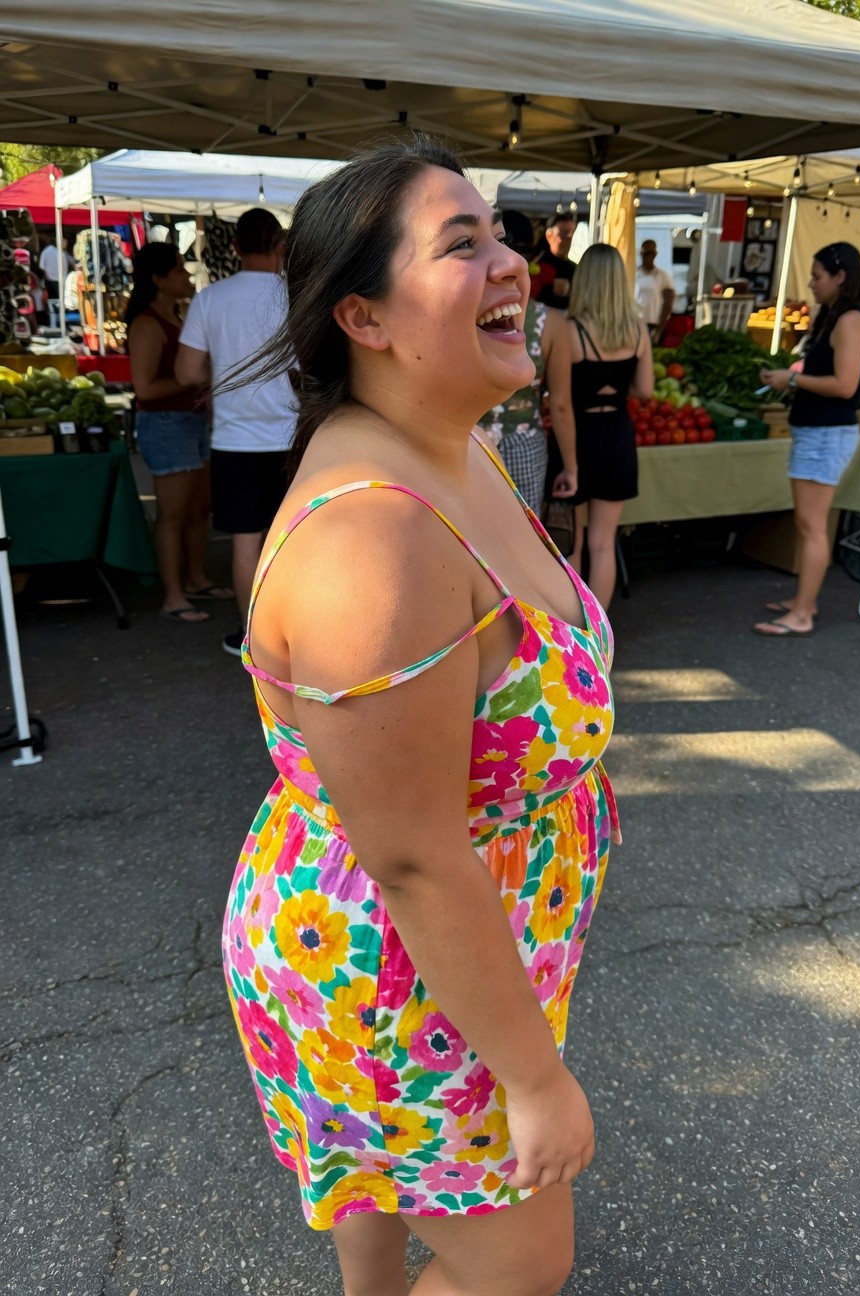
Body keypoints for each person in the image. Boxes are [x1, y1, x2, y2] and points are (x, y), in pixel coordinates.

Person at [222, 135, 620, 1296]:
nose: (512, 263)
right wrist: (537, 1079)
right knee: (523, 1263)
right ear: (366, 318)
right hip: (396, 972)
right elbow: (409, 854)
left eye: (500, 232)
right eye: (463, 244)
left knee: (380, 1206)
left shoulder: (464, 449)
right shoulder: (375, 541)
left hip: (459, 947)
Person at [176, 208, 297, 657]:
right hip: (291, 436)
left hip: (235, 440)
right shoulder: (297, 297)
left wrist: (223, 370)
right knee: (292, 537)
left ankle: (254, 639)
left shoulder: (211, 300)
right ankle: (299, 636)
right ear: (281, 247)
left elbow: (187, 372)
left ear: (235, 247)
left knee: (246, 542)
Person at [754, 241, 860, 637]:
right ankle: (805, 600)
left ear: (841, 276)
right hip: (817, 431)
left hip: (828, 433)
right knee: (807, 523)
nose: (811, 283)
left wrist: (793, 379)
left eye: (818, 276)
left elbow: (846, 384)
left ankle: (802, 614)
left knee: (813, 525)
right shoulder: (834, 316)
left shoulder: (851, 320)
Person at [126, 243, 231, 624]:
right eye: (179, 271)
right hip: (166, 426)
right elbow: (145, 389)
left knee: (198, 509)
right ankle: (172, 595)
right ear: (158, 279)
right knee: (172, 515)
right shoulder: (147, 324)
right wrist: (194, 378)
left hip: (192, 422)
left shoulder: (176, 317)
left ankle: (196, 578)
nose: (187, 277)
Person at [546, 242, 653, 609]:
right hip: (618, 436)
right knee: (604, 543)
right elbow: (645, 389)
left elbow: (557, 396)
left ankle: (575, 636)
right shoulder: (637, 330)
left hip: (578, 437)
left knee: (572, 544)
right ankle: (601, 633)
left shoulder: (571, 332)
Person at [478, 210, 577, 514]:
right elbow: (559, 404)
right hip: (525, 445)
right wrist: (571, 468)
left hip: (468, 440)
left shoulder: (464, 310)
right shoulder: (553, 323)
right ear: (531, 259)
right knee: (523, 545)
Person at [635, 239, 675, 342]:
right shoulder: (633, 274)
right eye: (644, 253)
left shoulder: (663, 276)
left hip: (654, 324)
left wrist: (659, 329)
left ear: (655, 254)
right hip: (635, 324)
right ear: (641, 254)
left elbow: (668, 303)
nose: (647, 256)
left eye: (650, 253)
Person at [537, 211, 577, 311]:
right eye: (563, 234)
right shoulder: (535, 262)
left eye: (571, 235)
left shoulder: (576, 269)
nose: (568, 240)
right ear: (549, 235)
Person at [38, 234, 72, 303]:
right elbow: (42, 268)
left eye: (66, 242)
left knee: (58, 301)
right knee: (56, 301)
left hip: (61, 281)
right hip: (52, 282)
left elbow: (42, 268)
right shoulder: (48, 251)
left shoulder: (63, 252)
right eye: (64, 241)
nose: (66, 243)